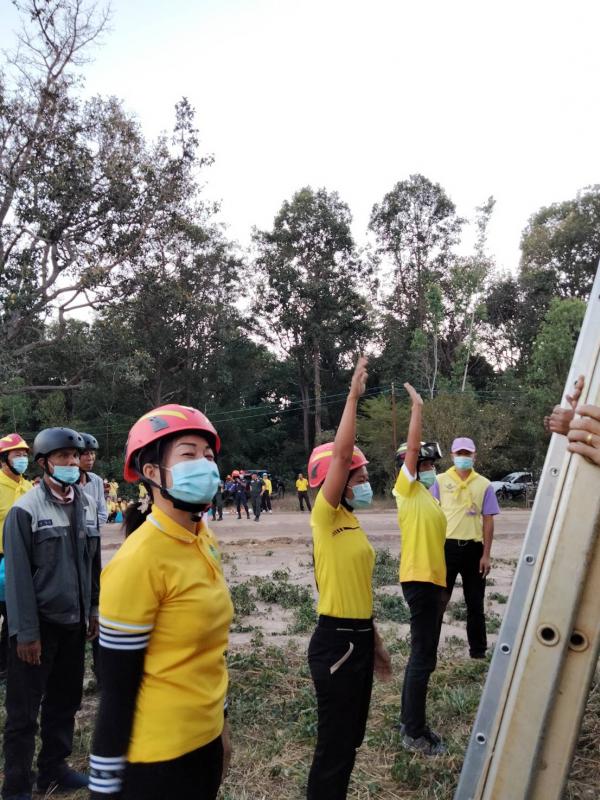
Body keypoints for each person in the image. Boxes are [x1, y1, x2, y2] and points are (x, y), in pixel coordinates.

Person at [89, 403, 233, 800]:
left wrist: (221, 727)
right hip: (159, 762)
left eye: (208, 456)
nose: (205, 464)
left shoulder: (202, 539)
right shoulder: (138, 561)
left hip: (204, 744)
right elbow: (116, 693)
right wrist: (103, 788)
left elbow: (211, 653)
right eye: (189, 454)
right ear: (152, 472)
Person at [306, 356, 392, 800]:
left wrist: (374, 642)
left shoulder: (351, 523)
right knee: (335, 746)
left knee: (352, 739)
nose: (365, 480)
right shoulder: (325, 517)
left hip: (357, 637)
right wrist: (353, 399)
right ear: (334, 481)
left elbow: (356, 591)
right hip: (336, 642)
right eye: (359, 475)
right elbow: (341, 454)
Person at [2, 426, 100, 798]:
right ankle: (16, 784)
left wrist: (93, 608)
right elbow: (17, 579)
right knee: (24, 711)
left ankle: (53, 770)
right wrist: (26, 633)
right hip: (37, 628)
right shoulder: (25, 510)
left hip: (74, 623)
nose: (72, 462)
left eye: (74, 456)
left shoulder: (85, 504)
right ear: (44, 463)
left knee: (65, 701)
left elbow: (93, 563)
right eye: (63, 457)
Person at [393, 384, 447, 756]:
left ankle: (409, 721)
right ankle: (414, 732)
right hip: (419, 579)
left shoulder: (428, 498)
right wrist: (417, 408)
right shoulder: (407, 490)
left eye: (431, 466)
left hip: (431, 583)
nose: (429, 470)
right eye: (425, 465)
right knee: (422, 657)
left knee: (423, 656)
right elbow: (412, 449)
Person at [432, 437, 500, 660]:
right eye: (459, 453)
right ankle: (429, 650)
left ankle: (478, 652)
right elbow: (431, 515)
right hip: (446, 548)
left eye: (467, 454)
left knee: (475, 602)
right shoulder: (439, 481)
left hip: (473, 550)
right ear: (452, 455)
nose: (463, 457)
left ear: (474, 456)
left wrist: (486, 554)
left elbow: (488, 520)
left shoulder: (484, 484)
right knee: (439, 602)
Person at [0, 434, 33, 679]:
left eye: (24, 455)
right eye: (17, 455)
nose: (22, 459)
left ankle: (6, 665)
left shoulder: (29, 487)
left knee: (14, 615)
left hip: (20, 560)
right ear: (4, 459)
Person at [78, 433, 108, 528]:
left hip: (92, 533)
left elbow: (103, 515)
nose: (90, 458)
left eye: (92, 453)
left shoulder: (97, 480)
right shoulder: (66, 482)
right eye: (86, 454)